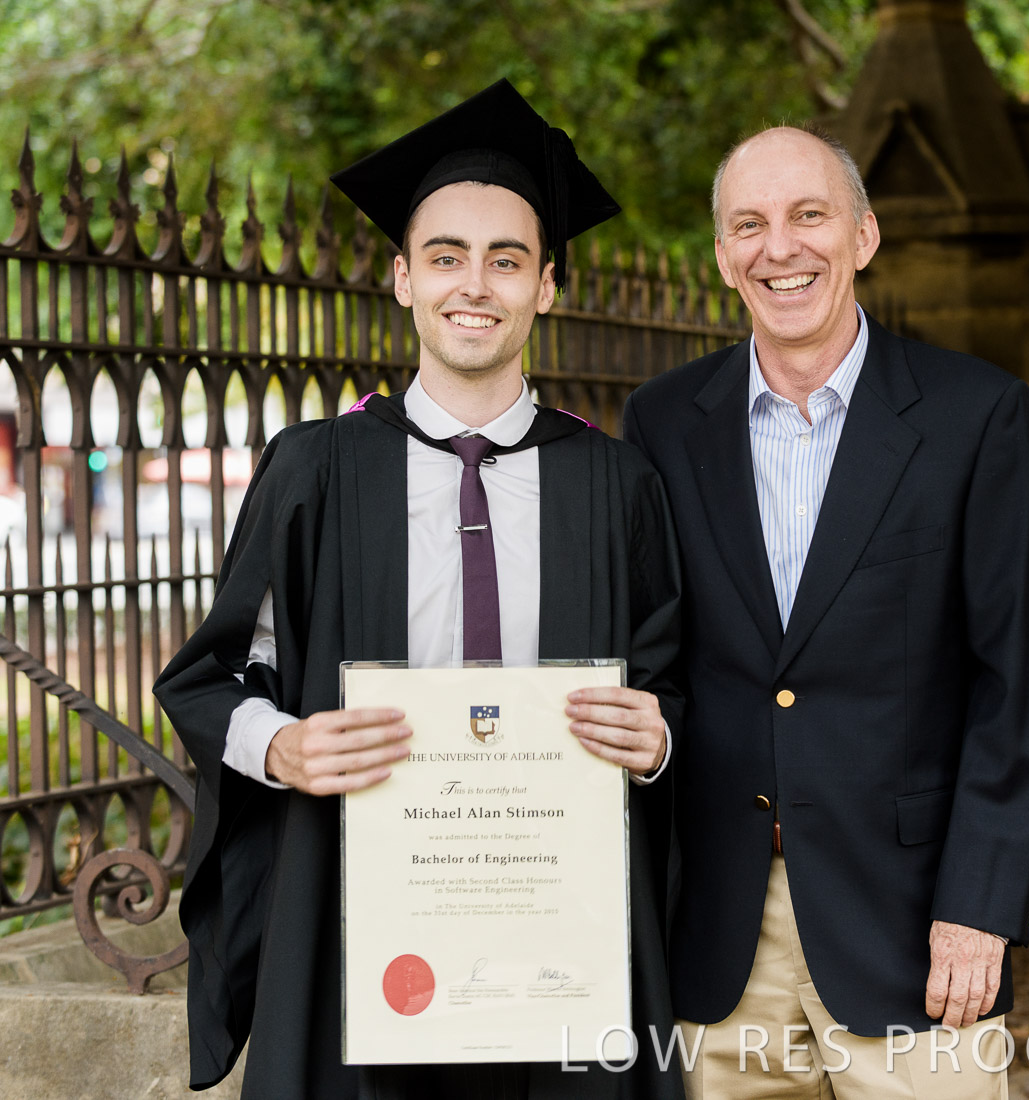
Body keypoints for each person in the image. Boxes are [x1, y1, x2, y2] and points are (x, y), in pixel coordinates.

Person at [155, 80, 684, 1100]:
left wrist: (656, 737)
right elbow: (209, 678)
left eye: (506, 259)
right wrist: (281, 745)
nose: (473, 284)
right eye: (445, 256)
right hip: (358, 920)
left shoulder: (615, 484)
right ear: (402, 277)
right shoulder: (317, 469)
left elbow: (672, 687)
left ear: (546, 286)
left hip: (560, 931)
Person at [623, 125, 1029, 1097]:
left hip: (915, 927)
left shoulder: (976, 415)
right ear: (722, 254)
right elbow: (655, 660)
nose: (778, 247)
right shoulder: (661, 421)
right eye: (749, 224)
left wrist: (980, 907)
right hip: (718, 932)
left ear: (862, 235)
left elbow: (1013, 686)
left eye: (808, 215)